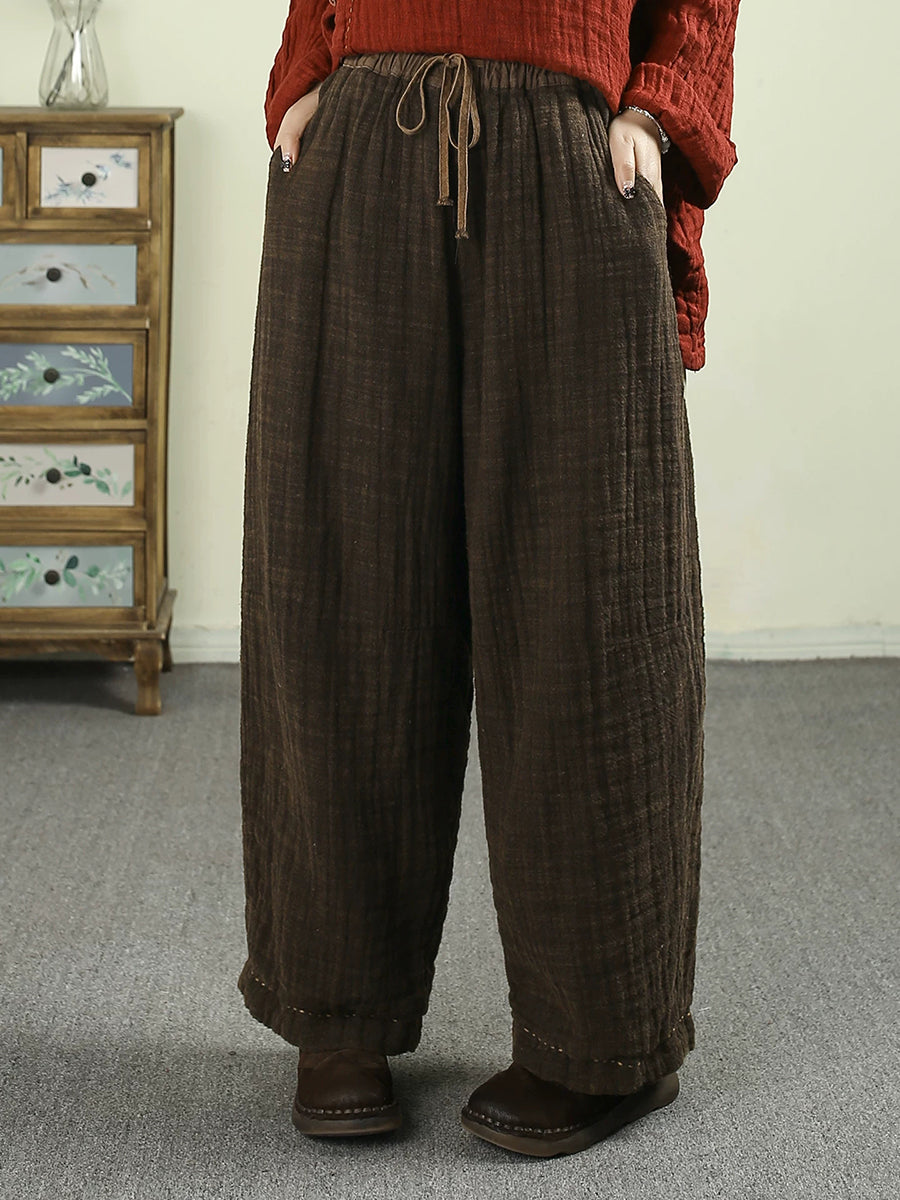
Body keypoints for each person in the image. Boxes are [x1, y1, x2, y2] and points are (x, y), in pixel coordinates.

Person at [238, 0, 741, 1160]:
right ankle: (338, 1011)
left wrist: (657, 112)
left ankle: (604, 1043)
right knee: (340, 592)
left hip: (573, 145)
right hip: (365, 131)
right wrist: (309, 69)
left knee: (594, 604)